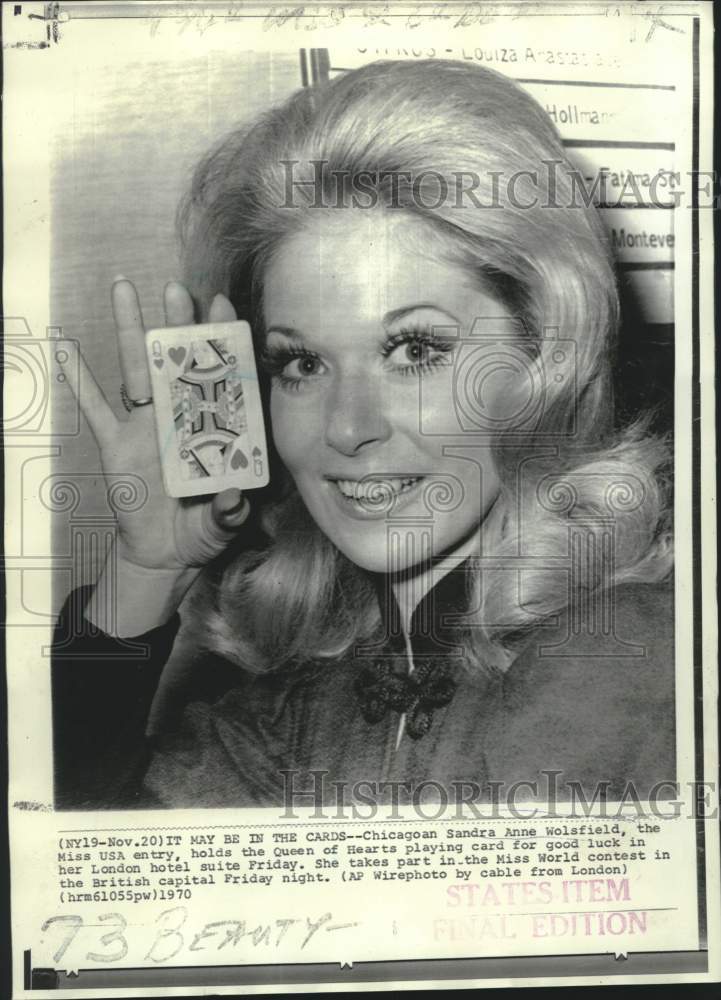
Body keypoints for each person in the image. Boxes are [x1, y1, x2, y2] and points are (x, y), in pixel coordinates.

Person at [52, 59, 674, 811]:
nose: (346, 429)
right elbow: (80, 860)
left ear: (543, 354)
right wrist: (143, 569)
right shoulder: (321, 687)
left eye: (414, 351)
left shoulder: (624, 659)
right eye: (301, 362)